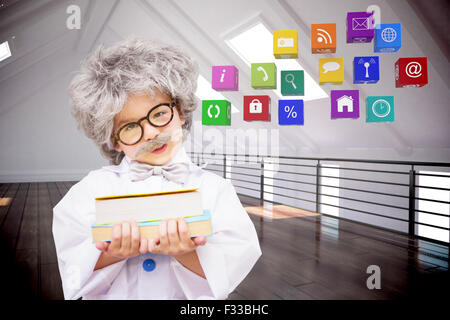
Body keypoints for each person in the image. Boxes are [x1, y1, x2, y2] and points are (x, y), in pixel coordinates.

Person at [52, 37, 261, 300]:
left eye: (160, 113)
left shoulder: (217, 190)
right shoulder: (87, 192)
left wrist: (187, 253)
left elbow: (237, 257)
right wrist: (110, 253)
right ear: (114, 141)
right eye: (130, 127)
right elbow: (72, 263)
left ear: (181, 112)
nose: (150, 133)